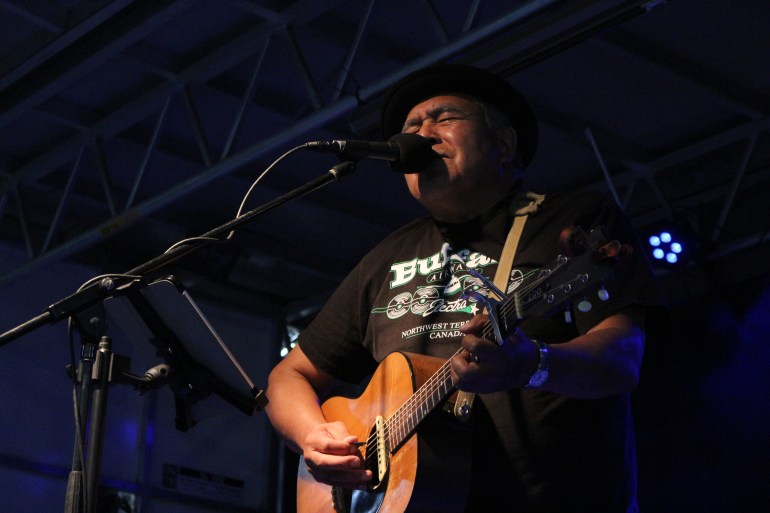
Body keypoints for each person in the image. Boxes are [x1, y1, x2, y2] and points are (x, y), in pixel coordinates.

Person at [265, 63, 660, 513]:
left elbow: (621, 359)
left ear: (504, 144)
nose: (421, 134)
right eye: (411, 126)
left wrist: (534, 363)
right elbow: (288, 375)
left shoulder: (572, 222)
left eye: (445, 117)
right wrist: (313, 436)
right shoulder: (387, 256)